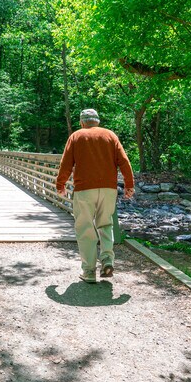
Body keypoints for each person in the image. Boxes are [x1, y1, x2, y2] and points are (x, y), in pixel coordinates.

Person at [56, 109, 135, 284]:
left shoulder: (77, 136)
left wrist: (60, 184)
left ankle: (89, 271)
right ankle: (107, 260)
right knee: (106, 224)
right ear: (97, 121)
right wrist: (129, 185)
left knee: (85, 228)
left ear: (82, 122)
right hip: (108, 189)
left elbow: (66, 163)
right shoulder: (110, 136)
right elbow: (124, 161)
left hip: (84, 189)